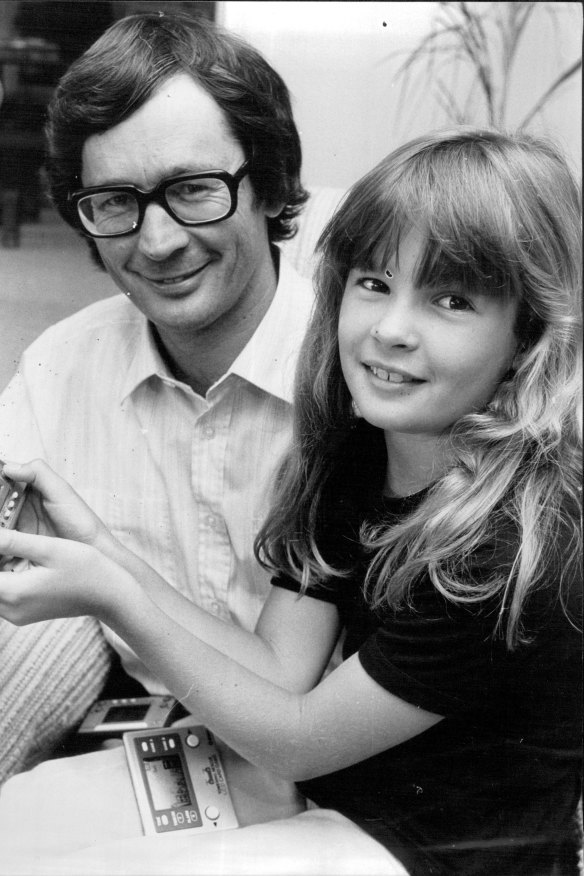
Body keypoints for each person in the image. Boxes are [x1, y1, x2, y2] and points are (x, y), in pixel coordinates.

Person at [0, 128, 581, 876]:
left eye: (451, 299)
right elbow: (279, 670)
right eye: (374, 283)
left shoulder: (510, 550)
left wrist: (112, 596)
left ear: (528, 336)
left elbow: (294, 732)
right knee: (20, 820)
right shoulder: (359, 449)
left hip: (433, 850)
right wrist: (102, 551)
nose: (391, 330)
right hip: (317, 784)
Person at [0, 10, 315, 777]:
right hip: (133, 740)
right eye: (115, 202)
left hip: (344, 760)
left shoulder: (366, 380)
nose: (158, 241)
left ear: (270, 186)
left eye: (194, 190)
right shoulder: (60, 367)